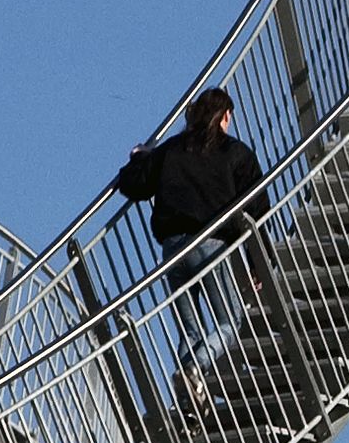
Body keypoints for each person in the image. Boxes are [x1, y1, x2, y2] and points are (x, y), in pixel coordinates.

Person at [114, 86, 271, 395]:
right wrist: (260, 260)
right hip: (210, 245)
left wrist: (139, 160)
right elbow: (257, 209)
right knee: (230, 321)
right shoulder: (236, 153)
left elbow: (135, 184)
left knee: (190, 329)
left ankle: (190, 398)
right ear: (225, 116)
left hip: (172, 249)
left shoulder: (172, 148)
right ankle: (195, 369)